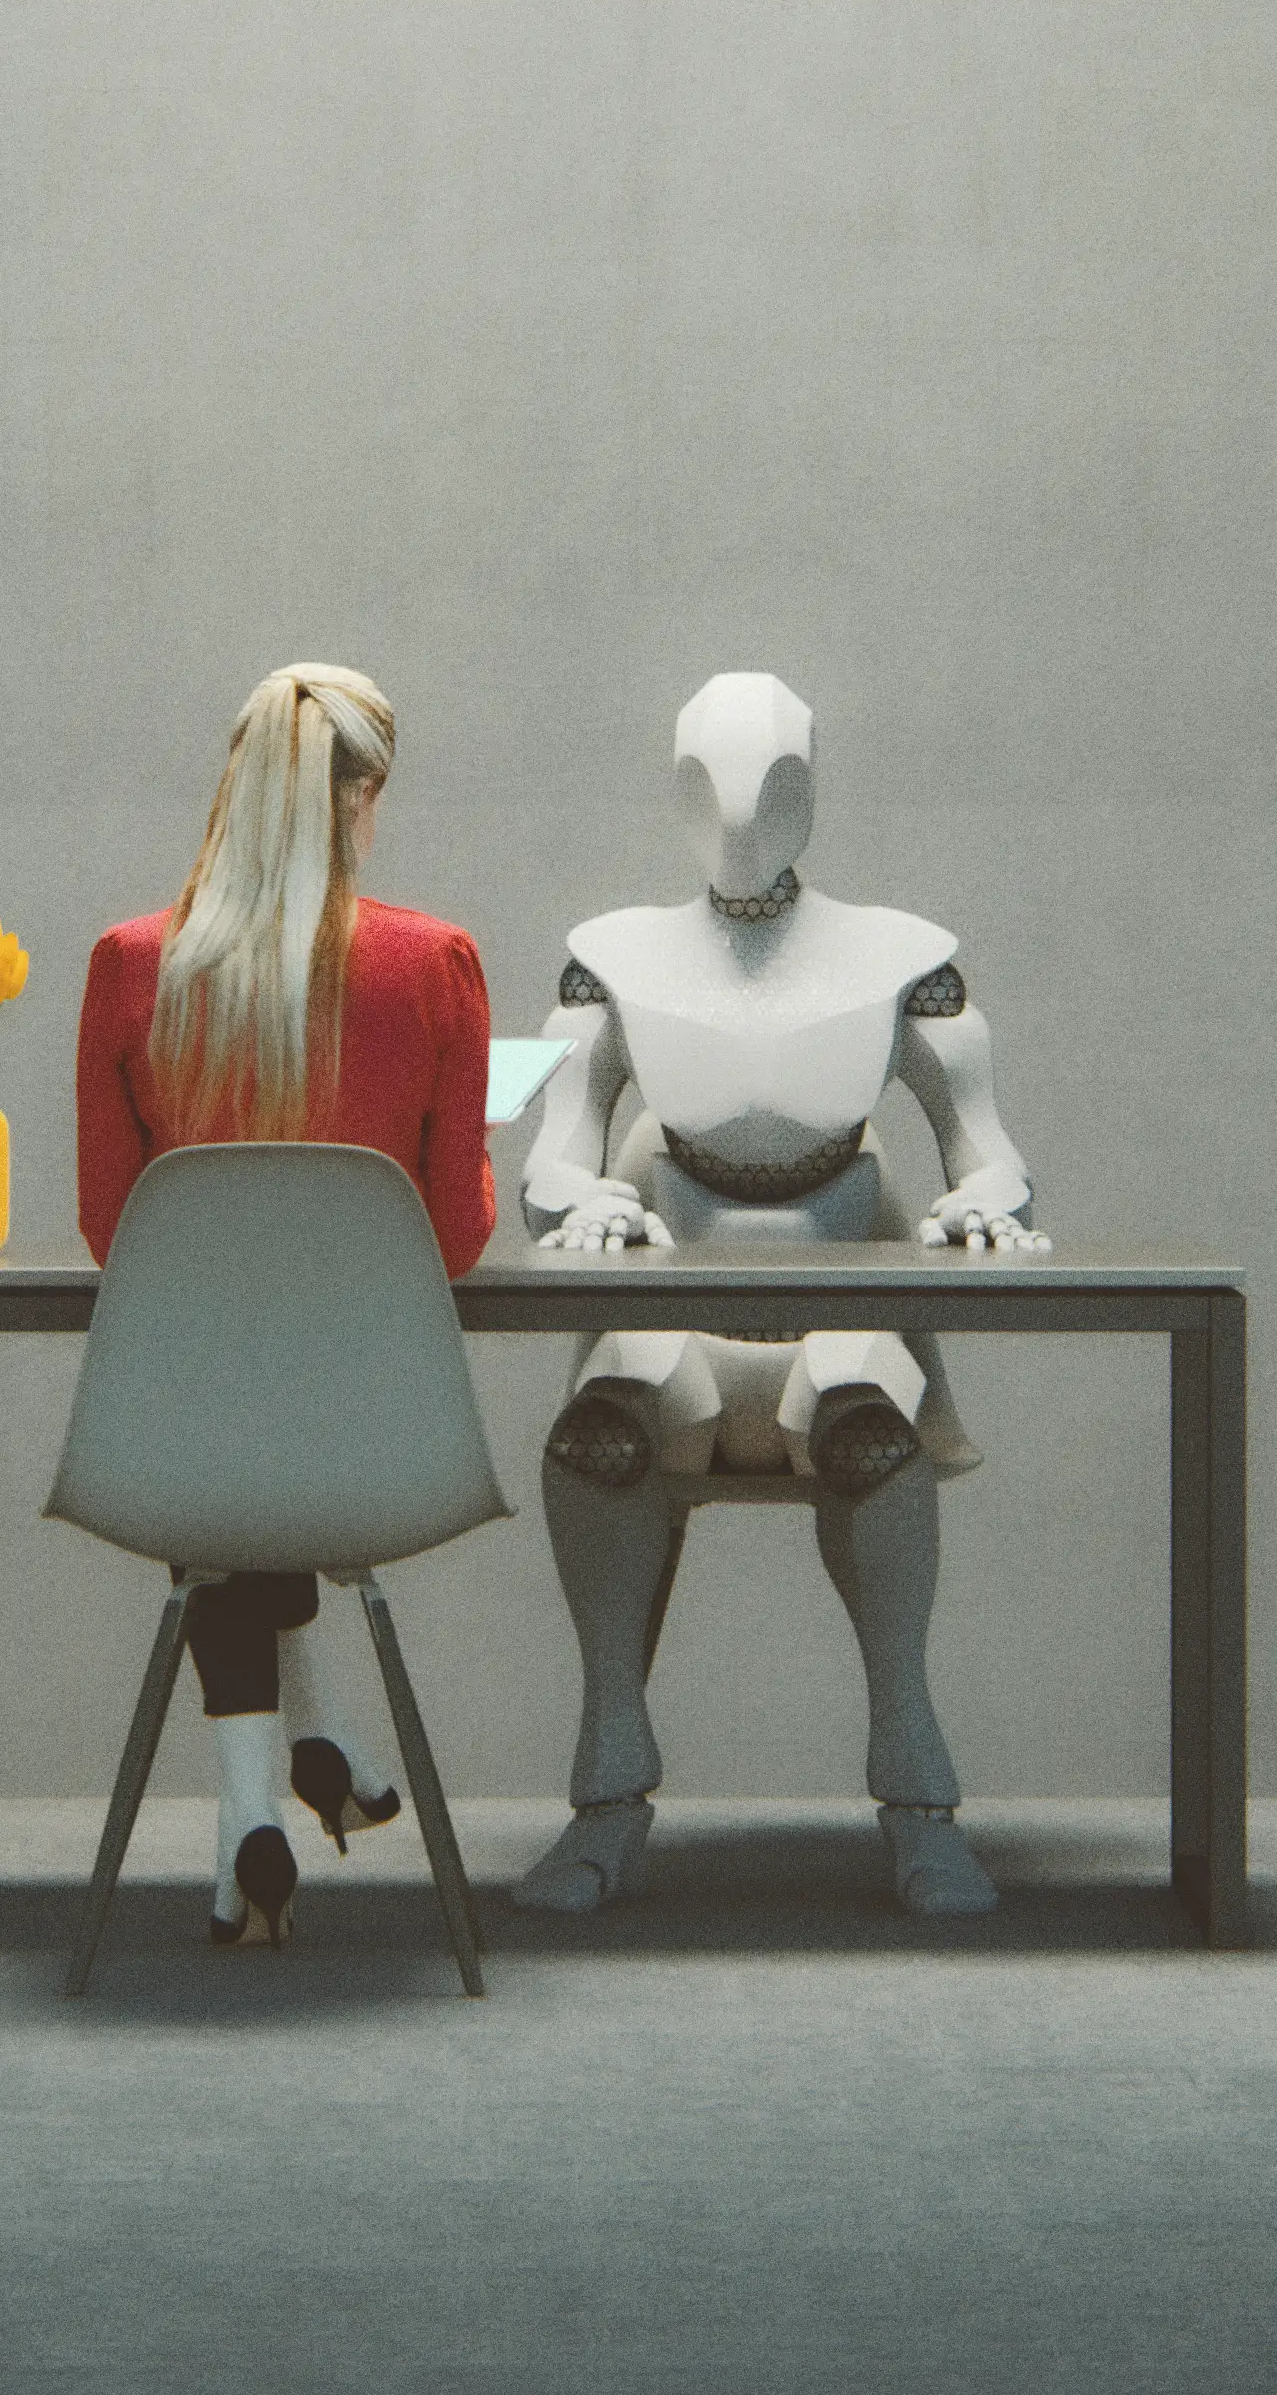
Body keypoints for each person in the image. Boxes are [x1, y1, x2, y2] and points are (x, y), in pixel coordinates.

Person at [513, 670, 1043, 1919]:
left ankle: (917, 1801)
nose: (742, 817)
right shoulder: (605, 962)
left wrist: (987, 1203)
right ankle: (603, 1797)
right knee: (596, 1434)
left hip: (837, 1323)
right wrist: (570, 1200)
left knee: (865, 1416)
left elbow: (989, 1145)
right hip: (672, 1329)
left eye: (771, 786)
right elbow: (549, 1146)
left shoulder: (908, 961)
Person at [76, 661, 496, 1946]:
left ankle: (252, 1812)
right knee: (268, 1438)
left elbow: (112, 1231)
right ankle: (305, 1767)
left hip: (176, 1441)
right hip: (379, 1446)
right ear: (362, 797)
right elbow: (455, 1239)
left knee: (225, 1444)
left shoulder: (127, 965)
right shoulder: (435, 966)